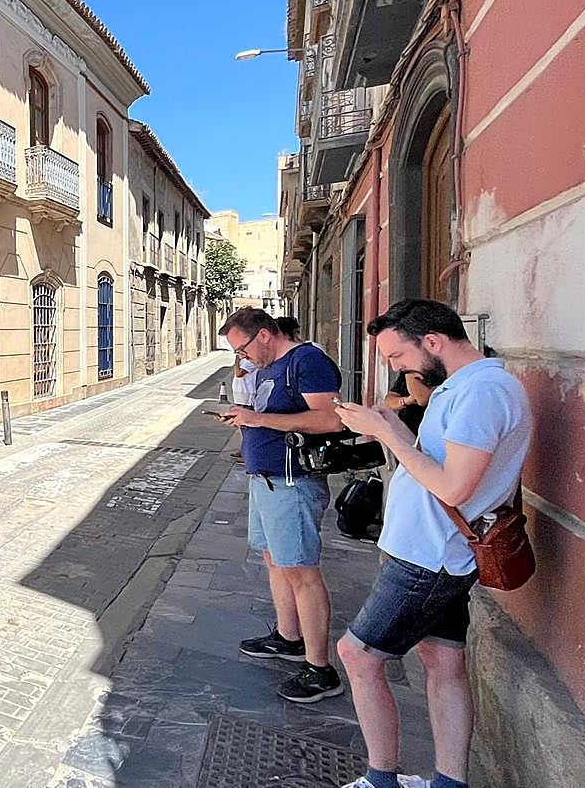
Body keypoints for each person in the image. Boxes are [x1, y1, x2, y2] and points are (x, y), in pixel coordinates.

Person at [334, 300, 532, 788]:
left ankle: (380, 780)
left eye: (398, 357)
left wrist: (391, 433)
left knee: (358, 655)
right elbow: (436, 469)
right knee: (443, 661)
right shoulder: (462, 387)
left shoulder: (483, 393)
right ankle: (448, 783)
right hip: (431, 551)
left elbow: (454, 488)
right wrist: (389, 430)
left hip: (430, 560)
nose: (397, 370)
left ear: (434, 343)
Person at [217, 308, 346, 703]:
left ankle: (320, 669)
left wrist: (257, 419)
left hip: (292, 483)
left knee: (301, 572)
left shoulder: (308, 362)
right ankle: (289, 638)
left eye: (242, 349)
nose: (243, 358)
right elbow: (270, 416)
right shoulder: (270, 368)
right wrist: (247, 420)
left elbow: (331, 421)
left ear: (265, 336)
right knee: (275, 561)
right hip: (267, 481)